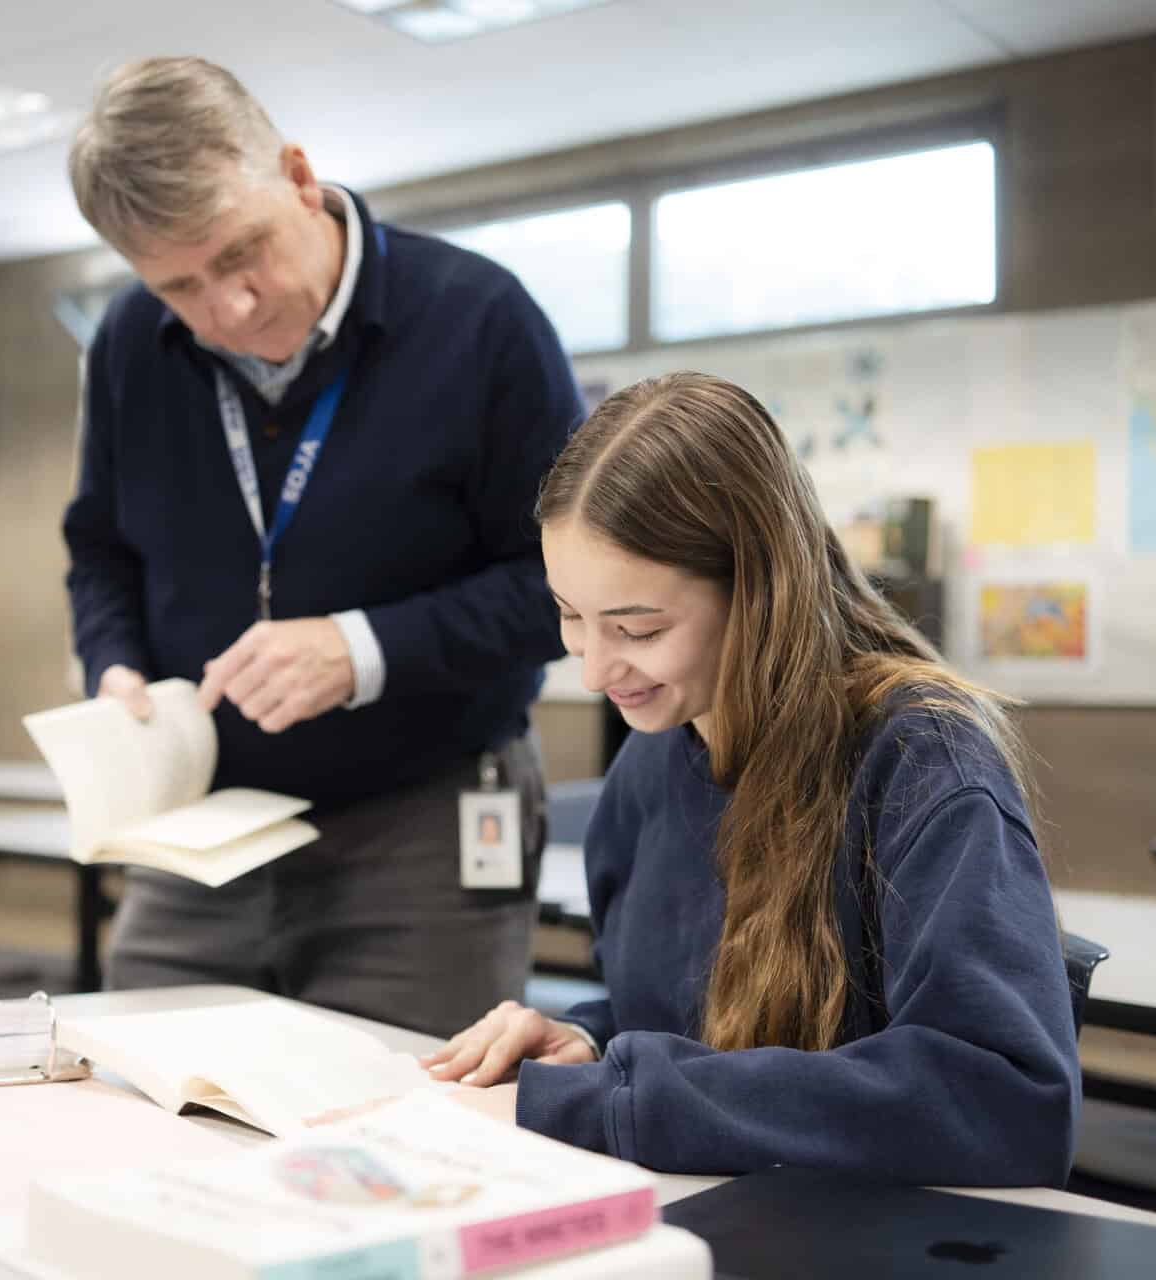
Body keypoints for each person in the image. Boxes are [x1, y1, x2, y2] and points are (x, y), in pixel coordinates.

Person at [424, 373, 1080, 1186]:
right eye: (569, 615)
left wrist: (618, 1102)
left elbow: (1005, 1100)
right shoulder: (654, 756)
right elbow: (688, 1023)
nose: (594, 670)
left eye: (638, 629)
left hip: (870, 1232)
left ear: (762, 591)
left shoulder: (922, 761)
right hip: (709, 1207)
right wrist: (591, 1041)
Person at [59, 57, 582, 1036]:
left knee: (414, 1107)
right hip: (204, 821)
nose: (229, 309)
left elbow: (562, 586)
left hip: (426, 817)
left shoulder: (479, 319)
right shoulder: (130, 343)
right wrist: (113, 661)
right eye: (179, 286)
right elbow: (100, 548)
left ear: (299, 177)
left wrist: (363, 649)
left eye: (242, 252)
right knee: (148, 1082)